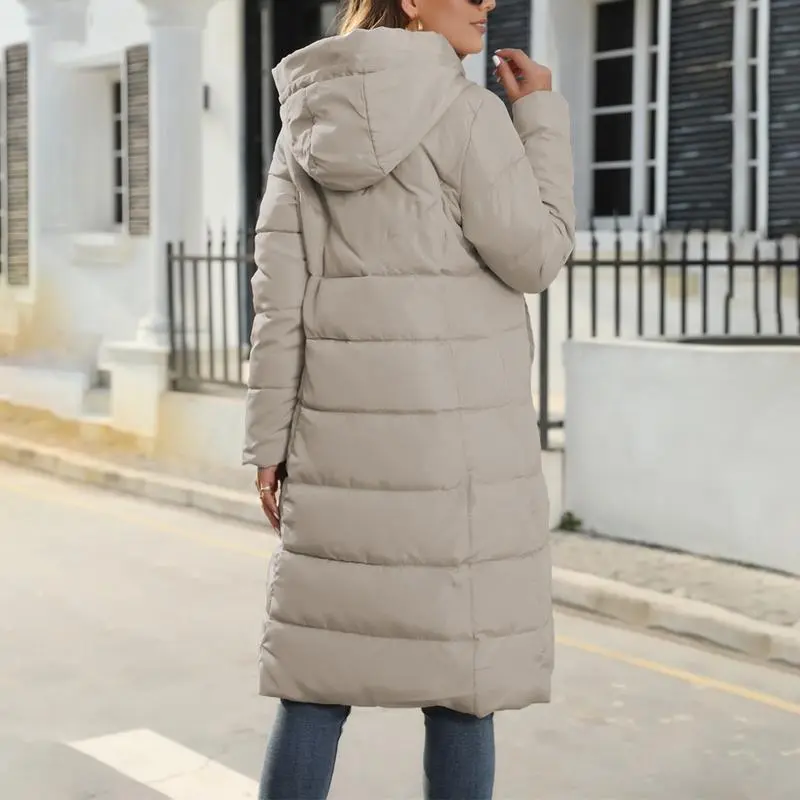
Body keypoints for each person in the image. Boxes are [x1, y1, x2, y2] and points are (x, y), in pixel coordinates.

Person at [243, 0, 574, 797]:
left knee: (316, 683)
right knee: (462, 689)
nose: (487, 3)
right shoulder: (470, 117)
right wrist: (539, 117)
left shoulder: (307, 123)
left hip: (337, 456)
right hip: (458, 468)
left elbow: (277, 301)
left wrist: (269, 444)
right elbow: (536, 255)